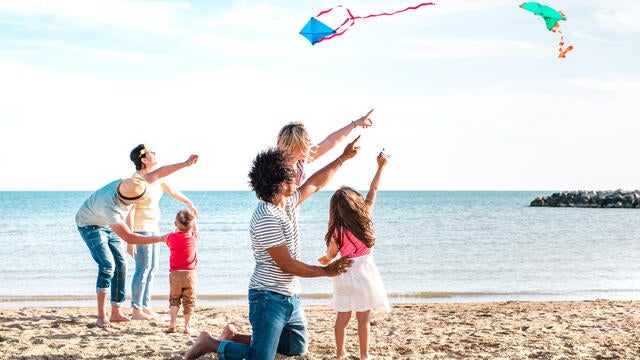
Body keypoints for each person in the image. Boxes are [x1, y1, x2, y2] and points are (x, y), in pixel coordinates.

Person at [184, 137, 362, 360]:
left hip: (290, 295)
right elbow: (287, 264)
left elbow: (315, 184)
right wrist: (326, 271)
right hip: (267, 297)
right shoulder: (266, 217)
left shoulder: (286, 203)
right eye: (292, 176)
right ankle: (209, 343)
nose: (297, 178)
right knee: (260, 358)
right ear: (280, 184)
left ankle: (233, 337)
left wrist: (343, 158)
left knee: (296, 349)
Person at [75, 154, 198, 328]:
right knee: (108, 266)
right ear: (131, 202)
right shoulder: (111, 208)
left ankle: (116, 311)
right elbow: (129, 237)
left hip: (105, 222)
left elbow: (160, 172)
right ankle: (102, 317)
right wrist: (161, 238)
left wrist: (186, 163)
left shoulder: (132, 184)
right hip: (89, 224)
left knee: (121, 263)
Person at [318, 151, 391, 360]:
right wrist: (381, 166)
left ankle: (340, 353)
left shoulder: (336, 232)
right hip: (365, 273)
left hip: (344, 273)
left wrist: (324, 260)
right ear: (355, 204)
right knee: (363, 318)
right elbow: (373, 189)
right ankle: (364, 355)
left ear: (335, 210)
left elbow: (330, 255)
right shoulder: (365, 216)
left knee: (342, 317)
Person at [127, 144, 199, 320]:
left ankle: (145, 305)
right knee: (142, 269)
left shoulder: (156, 178)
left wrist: (188, 202)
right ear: (143, 159)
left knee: (152, 268)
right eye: (151, 152)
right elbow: (130, 211)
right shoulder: (137, 181)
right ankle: (136, 310)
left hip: (153, 227)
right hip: (140, 229)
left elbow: (172, 190)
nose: (155, 152)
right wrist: (130, 239)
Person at [277, 109, 373, 186]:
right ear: (296, 143)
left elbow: (330, 141)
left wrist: (355, 123)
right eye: (307, 140)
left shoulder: (299, 161)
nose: (310, 143)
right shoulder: (275, 167)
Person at [165, 209, 200, 335]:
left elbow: (173, 237)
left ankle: (173, 323)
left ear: (175, 224)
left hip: (175, 274)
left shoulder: (171, 237)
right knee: (189, 300)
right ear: (191, 225)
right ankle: (187, 326)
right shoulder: (194, 237)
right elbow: (195, 231)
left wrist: (177, 228)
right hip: (190, 274)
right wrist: (194, 220)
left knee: (174, 299)